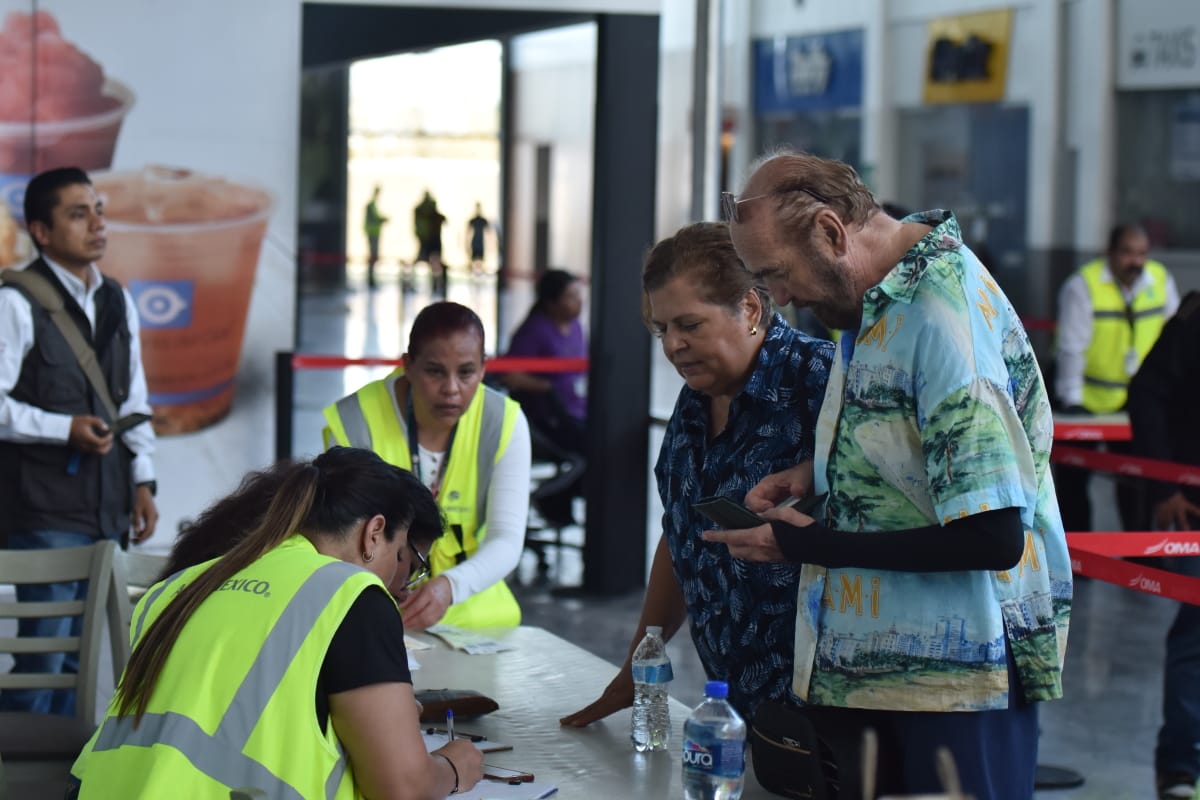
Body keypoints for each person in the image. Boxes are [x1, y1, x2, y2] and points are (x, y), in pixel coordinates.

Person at [704, 152, 1071, 800]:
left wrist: (802, 544)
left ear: (830, 232)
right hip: (880, 672)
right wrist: (819, 474)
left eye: (778, 276)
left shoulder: (941, 317)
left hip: (958, 683)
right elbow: (916, 446)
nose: (781, 300)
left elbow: (992, 537)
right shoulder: (875, 301)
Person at [69, 447, 484, 798]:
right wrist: (452, 766)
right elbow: (402, 789)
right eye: (406, 565)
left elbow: (239, 721)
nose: (400, 589)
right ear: (374, 534)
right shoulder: (351, 594)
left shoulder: (182, 584)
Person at [561, 221, 833, 727]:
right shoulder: (692, 407)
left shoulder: (822, 383)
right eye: (663, 330)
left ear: (750, 308)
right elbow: (684, 536)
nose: (672, 346)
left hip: (827, 710)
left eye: (690, 325)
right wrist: (638, 665)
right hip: (734, 709)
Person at [0, 166, 158, 717]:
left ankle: (62, 784)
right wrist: (61, 427)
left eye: (98, 210)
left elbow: (133, 398)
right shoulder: (16, 302)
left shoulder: (115, 299)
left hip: (107, 510)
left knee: (81, 664)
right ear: (41, 232)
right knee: (45, 658)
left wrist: (143, 480)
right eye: (77, 213)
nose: (96, 223)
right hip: (42, 509)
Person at [323, 301, 530, 630]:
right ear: (408, 365)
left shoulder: (504, 421)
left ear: (483, 368)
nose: (451, 388)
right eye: (435, 371)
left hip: (473, 609)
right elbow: (341, 544)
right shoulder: (354, 421)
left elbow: (506, 538)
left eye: (466, 372)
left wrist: (451, 586)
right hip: (375, 607)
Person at [1054, 223, 1179, 534]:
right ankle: (1078, 562)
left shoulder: (1160, 280)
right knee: (1074, 483)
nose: (1135, 261)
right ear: (1109, 252)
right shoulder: (1083, 285)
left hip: (1138, 405)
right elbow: (1071, 348)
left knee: (1138, 483)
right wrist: (1073, 401)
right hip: (1088, 403)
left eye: (1142, 254)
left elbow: (1173, 335)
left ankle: (1140, 559)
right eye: (1126, 252)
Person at [1127, 291, 1200, 800]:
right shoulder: (1194, 323)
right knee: (1197, 637)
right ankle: (1179, 765)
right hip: (1193, 501)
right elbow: (1147, 392)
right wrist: (1165, 485)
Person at [503, 269, 588, 527]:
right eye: (571, 296)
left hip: (575, 414)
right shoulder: (535, 330)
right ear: (552, 302)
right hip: (546, 421)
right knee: (588, 454)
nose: (578, 301)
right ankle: (548, 498)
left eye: (579, 295)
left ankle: (559, 500)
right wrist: (545, 387)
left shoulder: (575, 328)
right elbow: (509, 375)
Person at [414, 191, 447, 296]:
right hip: (433, 241)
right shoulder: (432, 215)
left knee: (433, 264)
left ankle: (435, 285)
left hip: (429, 241)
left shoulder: (425, 214)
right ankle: (436, 284)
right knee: (434, 264)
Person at [363, 184, 389, 289]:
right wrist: (382, 220)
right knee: (373, 257)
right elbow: (374, 219)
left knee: (374, 257)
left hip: (374, 233)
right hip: (372, 233)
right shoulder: (371, 205)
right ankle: (370, 280)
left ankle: (371, 279)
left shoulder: (373, 205)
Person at [467, 202, 491, 276]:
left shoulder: (483, 220)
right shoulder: (473, 220)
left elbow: (489, 233)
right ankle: (474, 275)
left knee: (480, 261)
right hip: (475, 242)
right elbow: (468, 233)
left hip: (480, 243)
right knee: (474, 260)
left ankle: (479, 275)